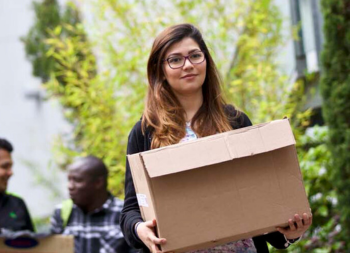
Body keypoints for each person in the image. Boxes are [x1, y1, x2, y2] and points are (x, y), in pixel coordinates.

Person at [120, 23, 312, 253]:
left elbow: (257, 197)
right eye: (175, 60)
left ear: (206, 61)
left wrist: (290, 233)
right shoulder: (145, 131)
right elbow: (131, 210)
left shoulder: (235, 121)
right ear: (160, 70)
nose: (188, 65)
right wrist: (140, 229)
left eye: (195, 56)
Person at [50, 156, 136, 253]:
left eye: (77, 180)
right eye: (69, 180)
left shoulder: (125, 213)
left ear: (98, 182)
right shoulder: (62, 213)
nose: (70, 186)